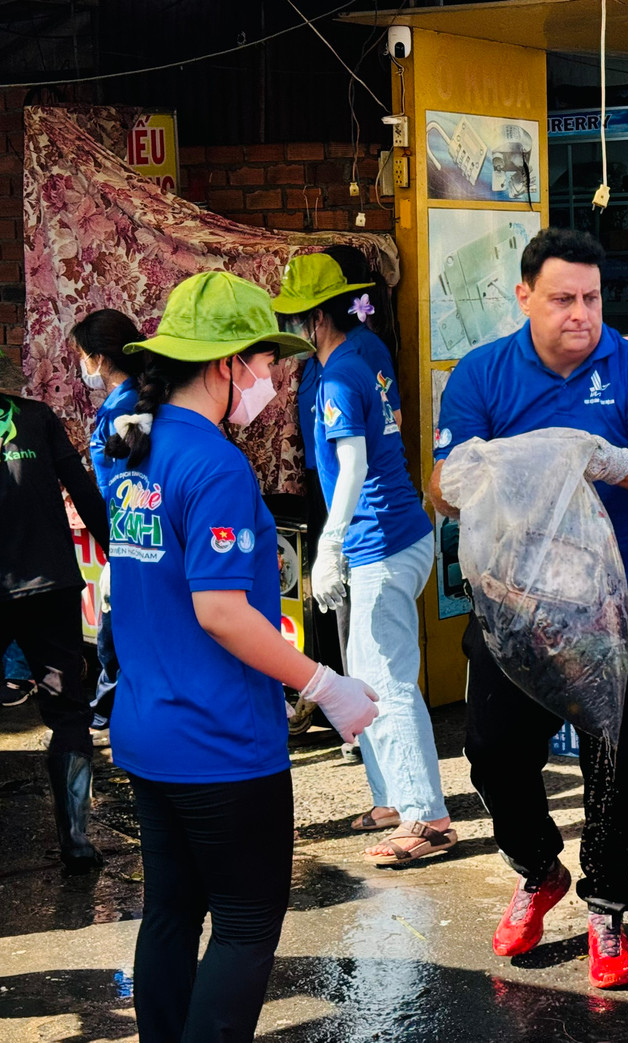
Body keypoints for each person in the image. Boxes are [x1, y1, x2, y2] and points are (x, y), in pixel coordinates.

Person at [103, 270, 379, 1043]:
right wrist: (325, 682)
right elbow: (220, 611)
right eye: (261, 362)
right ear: (228, 364)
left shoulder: (142, 452)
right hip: (221, 744)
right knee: (248, 924)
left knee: (170, 913)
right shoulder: (216, 466)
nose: (268, 379)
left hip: (150, 732)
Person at [428, 227, 628, 989]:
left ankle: (607, 907)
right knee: (492, 755)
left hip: (620, 613)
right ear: (524, 297)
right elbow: (440, 490)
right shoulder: (482, 375)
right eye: (563, 299)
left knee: (620, 770)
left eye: (592, 298)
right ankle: (537, 869)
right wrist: (479, 470)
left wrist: (613, 460)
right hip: (516, 614)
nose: (582, 314)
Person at [273, 253, 453, 865]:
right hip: (401, 531)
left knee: (388, 686)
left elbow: (351, 467)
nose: (290, 334)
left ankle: (426, 818)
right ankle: (389, 797)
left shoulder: (338, 378)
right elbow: (392, 427)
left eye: (295, 319)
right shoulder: (367, 349)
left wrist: (330, 543)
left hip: (378, 541)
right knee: (365, 677)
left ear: (317, 318)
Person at [0, 372, 110, 873]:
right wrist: (119, 558)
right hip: (51, 584)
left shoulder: (41, 417)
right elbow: (85, 492)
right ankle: (78, 843)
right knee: (68, 712)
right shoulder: (38, 416)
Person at [291, 246, 400, 692]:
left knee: (348, 596)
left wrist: (335, 535)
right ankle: (343, 694)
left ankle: (358, 702)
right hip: (327, 478)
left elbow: (378, 426)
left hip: (354, 489)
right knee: (334, 597)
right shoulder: (329, 351)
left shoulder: (359, 350)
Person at [72, 308, 145, 727]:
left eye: (83, 355)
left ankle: (109, 708)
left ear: (99, 358)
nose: (82, 365)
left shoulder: (128, 406)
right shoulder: (123, 401)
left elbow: (129, 479)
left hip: (131, 529)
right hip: (123, 528)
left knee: (116, 628)